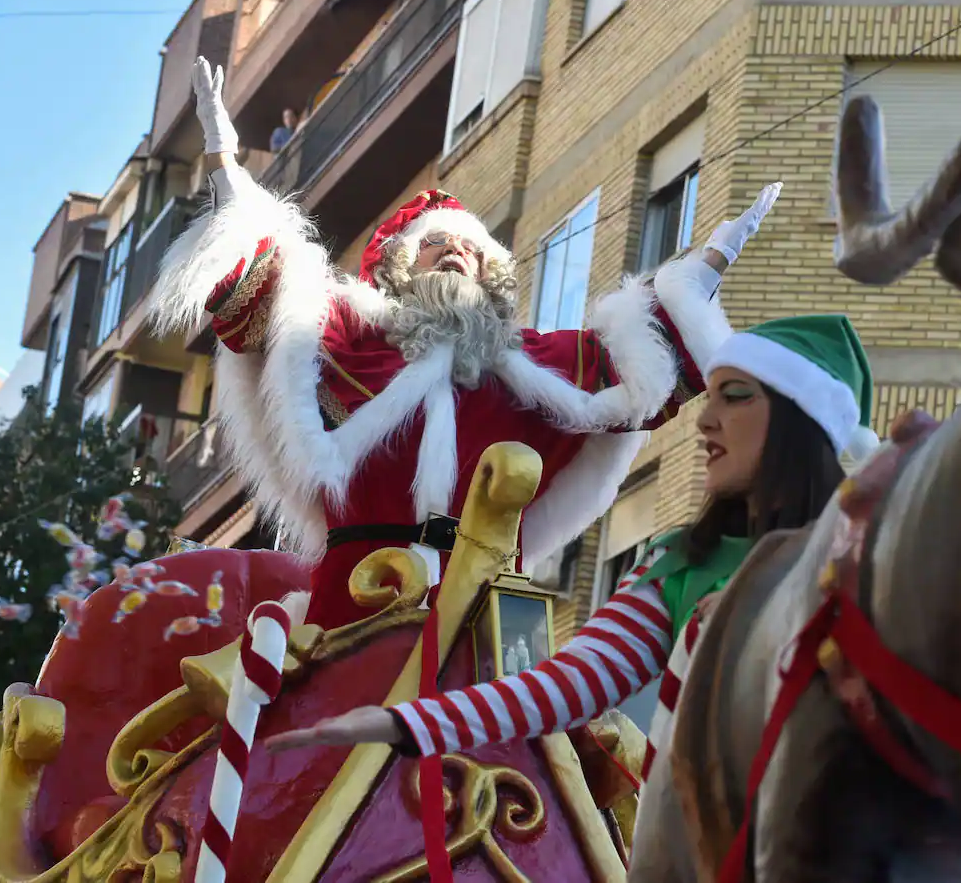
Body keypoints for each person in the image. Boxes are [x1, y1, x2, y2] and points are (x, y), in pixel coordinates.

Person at [149, 59, 782, 629]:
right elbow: (267, 295)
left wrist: (710, 263)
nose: (456, 251)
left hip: (486, 619)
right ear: (399, 267)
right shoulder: (351, 336)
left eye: (472, 250)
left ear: (490, 277)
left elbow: (643, 370)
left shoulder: (532, 364)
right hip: (352, 607)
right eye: (436, 244)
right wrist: (227, 168)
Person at [265, 314, 879, 759]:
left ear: (803, 422)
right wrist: (404, 724)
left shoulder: (872, 565)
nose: (707, 421)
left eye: (737, 398)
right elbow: (567, 686)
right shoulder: (676, 565)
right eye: (709, 398)